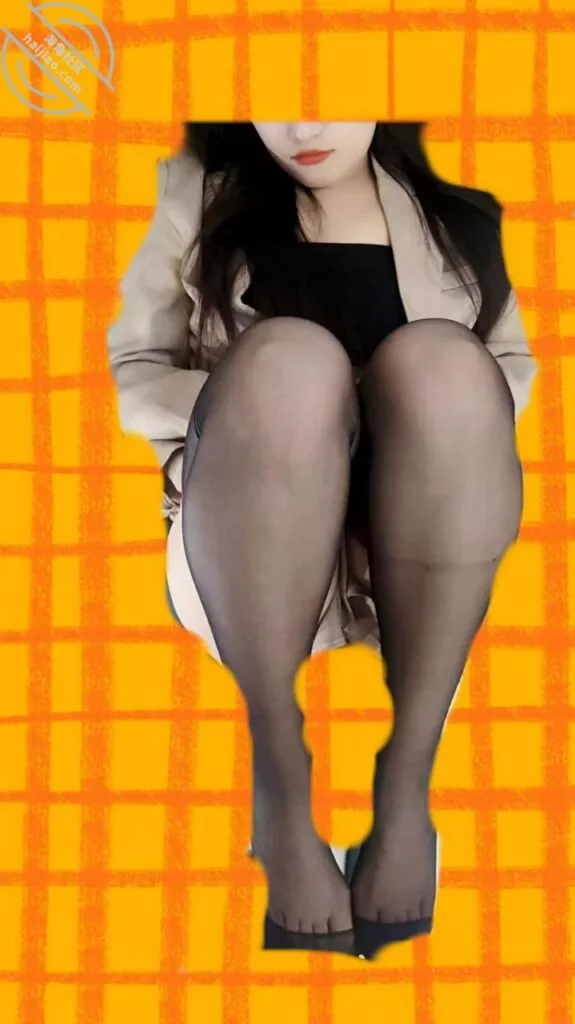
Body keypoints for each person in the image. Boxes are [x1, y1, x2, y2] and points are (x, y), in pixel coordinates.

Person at [107, 121, 538, 959]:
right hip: (248, 528)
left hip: (421, 528)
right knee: (292, 362)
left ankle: (405, 789)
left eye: (332, 96)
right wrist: (267, 403)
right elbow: (131, 376)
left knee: (446, 364)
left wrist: (390, 416)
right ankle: (278, 779)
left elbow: (512, 372)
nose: (304, 126)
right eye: (279, 97)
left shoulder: (462, 196)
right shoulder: (189, 186)